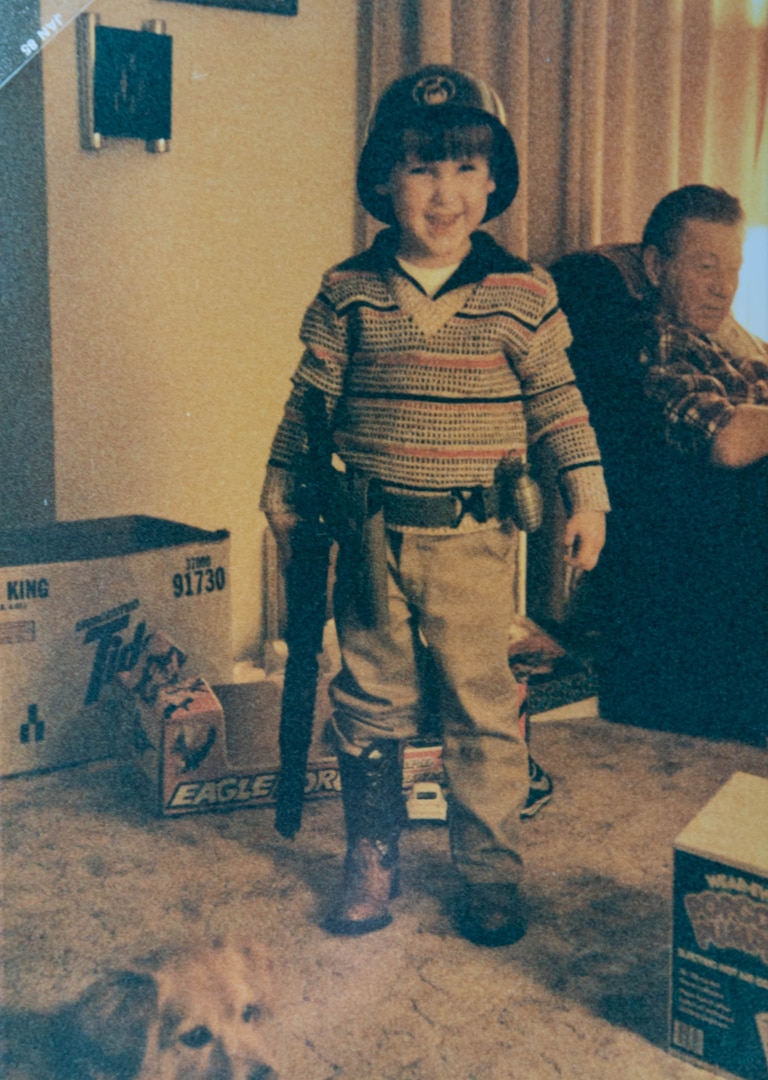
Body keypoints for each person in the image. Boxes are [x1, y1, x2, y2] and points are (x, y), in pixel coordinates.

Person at [260, 65, 609, 946]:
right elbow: (308, 403)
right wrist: (280, 486)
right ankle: (371, 864)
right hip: (371, 536)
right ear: (384, 180)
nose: (443, 192)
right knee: (369, 698)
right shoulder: (348, 291)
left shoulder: (523, 293)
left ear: (494, 181)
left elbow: (560, 403)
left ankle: (489, 871)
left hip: (476, 541)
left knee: (481, 706)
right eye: (420, 168)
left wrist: (588, 496)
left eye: (463, 168)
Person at [636, 185, 768, 741]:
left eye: (733, 268)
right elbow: (728, 441)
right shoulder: (664, 344)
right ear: (655, 266)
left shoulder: (734, 344)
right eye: (705, 266)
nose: (723, 286)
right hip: (718, 541)